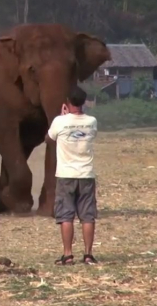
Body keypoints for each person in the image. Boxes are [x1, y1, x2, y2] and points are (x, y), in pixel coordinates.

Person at [45, 85, 99, 266]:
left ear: (68, 102)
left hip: (66, 175)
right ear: (84, 102)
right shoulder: (92, 121)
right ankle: (88, 255)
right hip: (86, 174)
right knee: (87, 216)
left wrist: (62, 117)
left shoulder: (59, 122)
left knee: (66, 216)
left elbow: (49, 139)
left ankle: (67, 255)